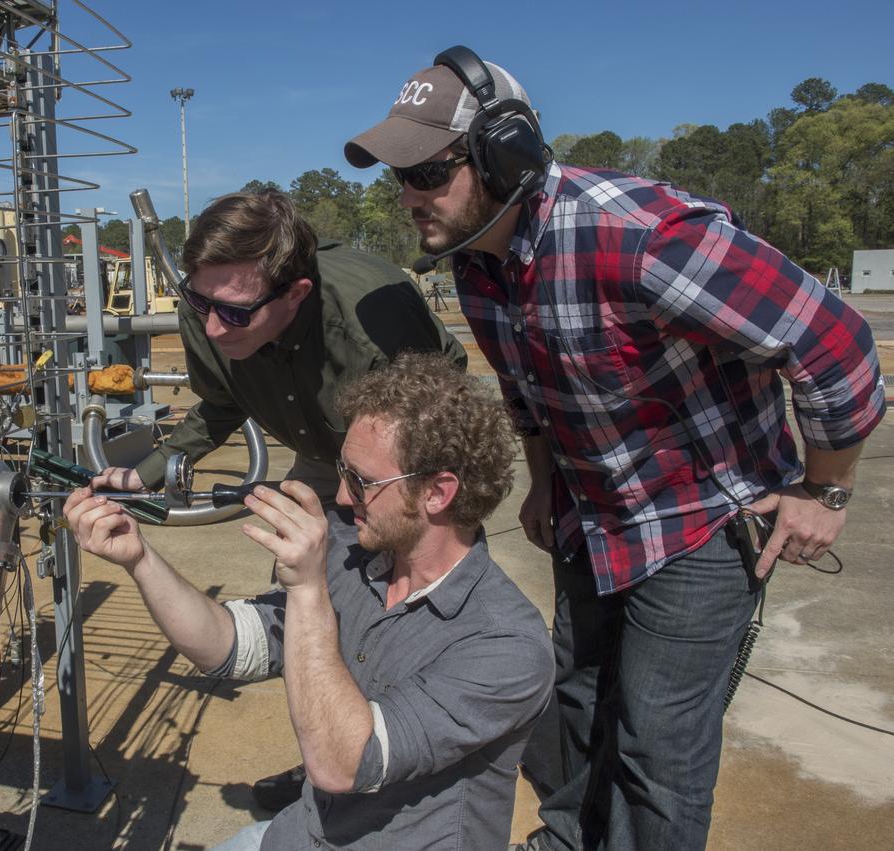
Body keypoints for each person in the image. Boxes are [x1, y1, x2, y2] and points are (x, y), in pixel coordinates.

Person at [344, 47, 885, 851]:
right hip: (591, 519)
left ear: (505, 153)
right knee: (574, 708)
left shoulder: (638, 237)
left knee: (655, 747)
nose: (407, 195)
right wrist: (539, 484)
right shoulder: (475, 266)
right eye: (399, 176)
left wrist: (824, 489)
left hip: (698, 525)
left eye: (428, 172)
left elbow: (832, 339)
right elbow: (529, 393)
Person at [66, 352, 553, 851]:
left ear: (437, 493)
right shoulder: (353, 555)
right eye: (343, 471)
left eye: (362, 481)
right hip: (302, 834)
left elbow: (343, 763)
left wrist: (306, 589)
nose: (342, 496)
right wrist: (139, 557)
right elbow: (228, 647)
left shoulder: (505, 644)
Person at [95, 189, 467, 811]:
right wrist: (153, 469)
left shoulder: (372, 325)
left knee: (409, 611)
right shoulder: (214, 299)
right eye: (200, 303)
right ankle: (327, 753)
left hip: (411, 457)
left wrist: (378, 513)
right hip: (325, 455)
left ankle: (410, 766)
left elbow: (438, 423)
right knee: (309, 603)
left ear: (294, 293)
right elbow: (219, 404)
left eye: (234, 314)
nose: (212, 326)